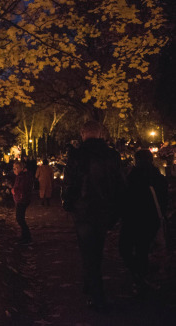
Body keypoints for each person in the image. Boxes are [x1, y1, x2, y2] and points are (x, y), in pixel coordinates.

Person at [61, 120, 125, 311]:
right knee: (97, 248)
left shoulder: (77, 156)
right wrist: (117, 210)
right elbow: (120, 184)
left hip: (83, 210)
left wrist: (68, 204)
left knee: (88, 249)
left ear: (83, 133)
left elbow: (69, 183)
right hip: (104, 209)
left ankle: (95, 293)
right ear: (100, 134)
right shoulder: (112, 156)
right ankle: (91, 286)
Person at [119, 149, 168, 295]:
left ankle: (139, 277)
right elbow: (163, 199)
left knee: (125, 249)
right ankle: (141, 278)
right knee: (142, 250)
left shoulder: (132, 176)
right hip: (150, 220)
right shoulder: (157, 177)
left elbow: (124, 196)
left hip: (132, 219)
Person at [12, 161, 33, 244]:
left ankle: (27, 236)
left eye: (16, 168)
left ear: (21, 168)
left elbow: (22, 188)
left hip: (22, 199)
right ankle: (24, 236)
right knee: (20, 218)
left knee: (19, 218)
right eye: (13, 168)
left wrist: (14, 191)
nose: (14, 170)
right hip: (21, 199)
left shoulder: (22, 176)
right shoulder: (21, 176)